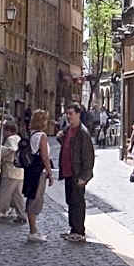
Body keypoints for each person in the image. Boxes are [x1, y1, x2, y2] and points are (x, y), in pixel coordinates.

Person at [57, 102, 95, 242]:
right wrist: (60, 137)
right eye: (67, 114)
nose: (68, 116)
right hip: (68, 172)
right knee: (70, 201)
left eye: (71, 114)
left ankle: (79, 231)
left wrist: (84, 176)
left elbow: (88, 157)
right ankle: (73, 229)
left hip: (77, 173)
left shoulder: (82, 133)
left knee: (78, 202)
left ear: (78, 114)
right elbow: (69, 147)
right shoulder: (68, 129)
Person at [22, 110, 54, 242]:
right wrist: (50, 173)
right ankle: (33, 231)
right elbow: (45, 157)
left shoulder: (32, 134)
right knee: (35, 199)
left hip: (30, 171)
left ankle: (33, 230)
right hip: (38, 171)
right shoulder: (42, 136)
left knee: (31, 198)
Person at [0, 121, 27, 224]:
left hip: (11, 171)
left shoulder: (11, 139)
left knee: (4, 193)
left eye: (5, 130)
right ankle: (21, 215)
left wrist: (1, 150)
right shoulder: (19, 138)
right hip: (20, 172)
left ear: (9, 130)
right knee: (17, 196)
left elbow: (13, 149)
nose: (4, 133)